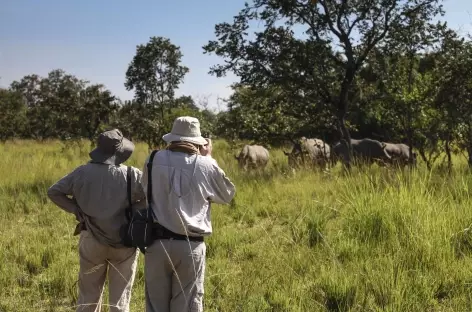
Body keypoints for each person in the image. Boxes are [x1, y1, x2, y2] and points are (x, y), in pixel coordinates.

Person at [143, 116, 236, 312]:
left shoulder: (153, 159)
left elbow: (144, 193)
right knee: (186, 305)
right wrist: (208, 157)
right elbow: (227, 195)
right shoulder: (206, 165)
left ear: (172, 138)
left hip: (156, 244)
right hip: (190, 246)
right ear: (199, 142)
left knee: (155, 306)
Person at [47, 129, 146, 312]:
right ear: (120, 152)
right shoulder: (132, 175)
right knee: (119, 302)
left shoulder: (82, 172)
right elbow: (152, 198)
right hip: (124, 242)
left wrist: (76, 210)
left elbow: (53, 192)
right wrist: (133, 211)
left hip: (91, 239)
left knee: (88, 298)